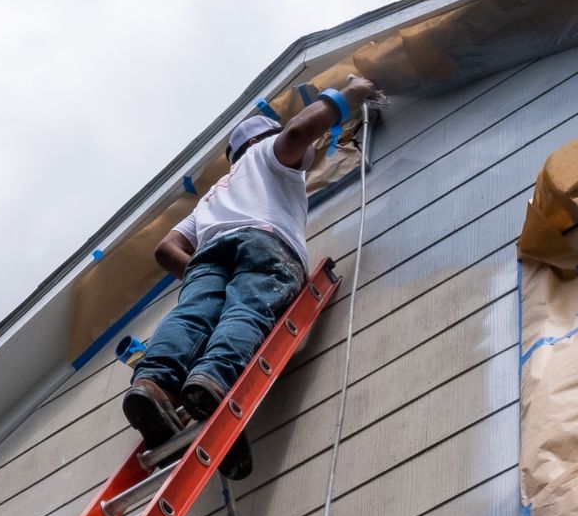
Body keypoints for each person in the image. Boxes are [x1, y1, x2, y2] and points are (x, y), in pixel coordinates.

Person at [122, 75, 383, 459]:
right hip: (265, 244)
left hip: (210, 254)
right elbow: (296, 133)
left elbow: (166, 249)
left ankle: (154, 383)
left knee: (193, 314)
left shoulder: (215, 194)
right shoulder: (266, 155)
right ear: (261, 140)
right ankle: (214, 378)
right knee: (248, 307)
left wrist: (200, 274)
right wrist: (351, 94)